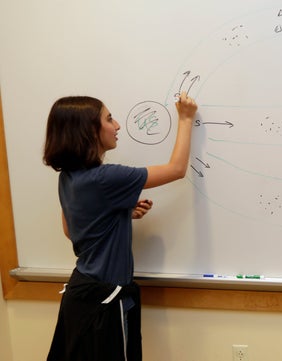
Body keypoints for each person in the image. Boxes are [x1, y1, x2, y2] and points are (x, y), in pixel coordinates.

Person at [43, 92, 197, 360]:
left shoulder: (69, 176)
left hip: (81, 296)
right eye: (109, 118)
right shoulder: (106, 178)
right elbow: (176, 169)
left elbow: (72, 231)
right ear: (88, 130)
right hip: (105, 303)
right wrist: (185, 118)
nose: (117, 126)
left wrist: (120, 214)